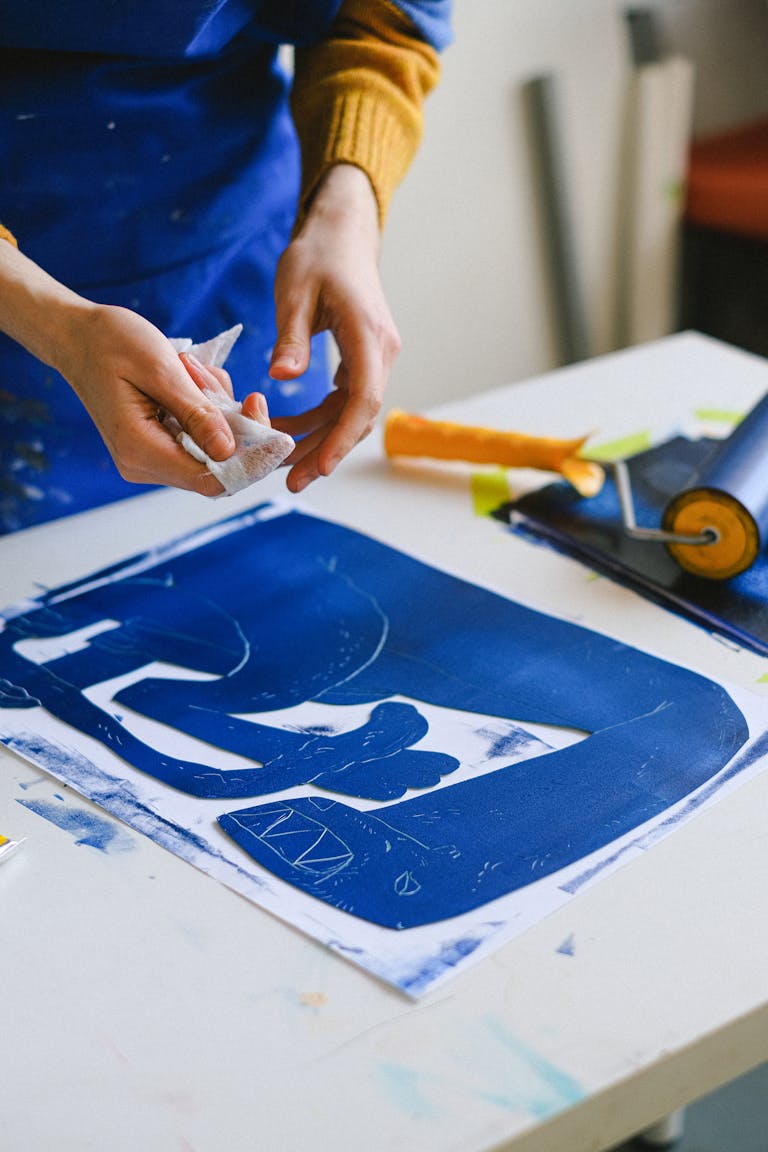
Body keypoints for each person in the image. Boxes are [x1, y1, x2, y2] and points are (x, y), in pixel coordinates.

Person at [0, 0, 452, 533]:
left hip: (242, 253)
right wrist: (52, 321)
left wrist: (347, 214)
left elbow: (384, 20)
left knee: (255, 553)